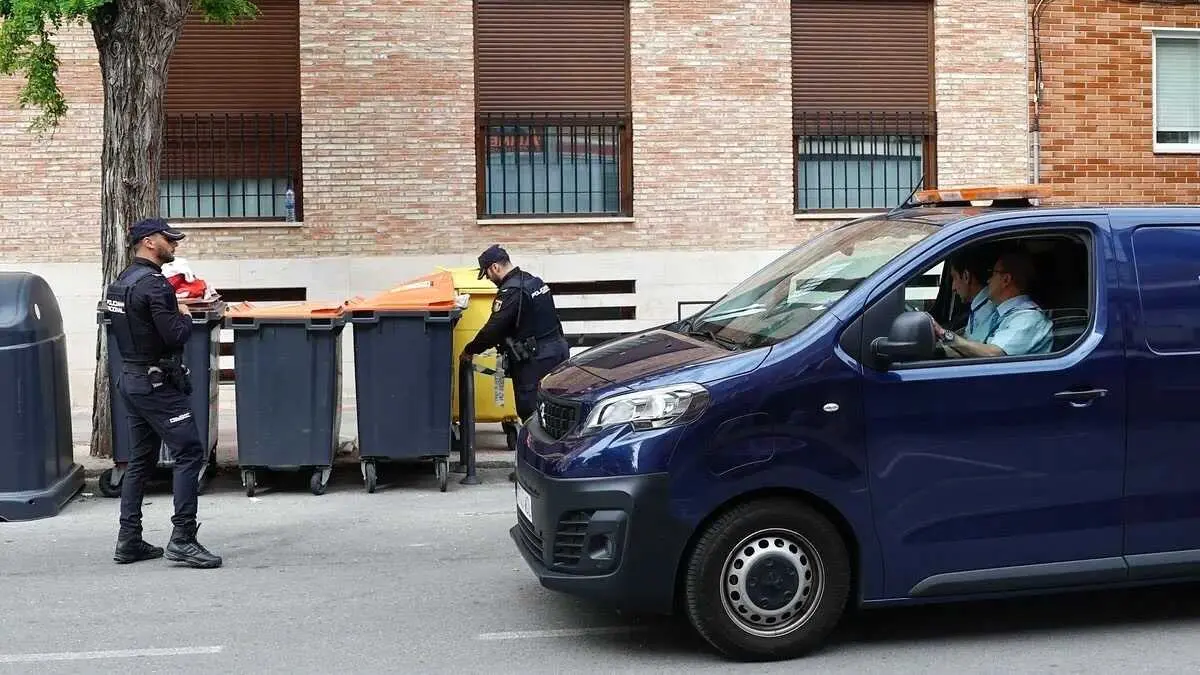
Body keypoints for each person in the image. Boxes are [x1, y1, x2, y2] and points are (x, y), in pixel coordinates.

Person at [103, 218, 222, 569]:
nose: (175, 244)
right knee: (189, 452)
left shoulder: (121, 281)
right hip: (156, 384)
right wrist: (184, 315)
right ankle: (183, 538)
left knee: (141, 460)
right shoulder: (156, 286)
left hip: (131, 379)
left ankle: (129, 540)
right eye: (169, 239)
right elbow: (174, 335)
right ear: (150, 242)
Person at [460, 246, 569, 478]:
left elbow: (494, 329)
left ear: (495, 267)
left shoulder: (510, 292)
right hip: (556, 351)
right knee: (555, 411)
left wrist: (470, 350)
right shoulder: (534, 282)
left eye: (487, 274)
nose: (489, 279)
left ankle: (532, 471)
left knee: (531, 414)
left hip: (534, 360)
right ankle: (558, 466)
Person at [933, 247, 1052, 358]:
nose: (989, 280)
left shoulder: (1028, 319)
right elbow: (974, 346)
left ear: (1006, 279)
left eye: (993, 274)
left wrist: (944, 334)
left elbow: (993, 354)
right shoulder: (1004, 315)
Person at [947, 247, 999, 342]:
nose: (953, 287)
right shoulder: (978, 307)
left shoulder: (988, 310)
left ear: (966, 277)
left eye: (954, 278)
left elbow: (973, 350)